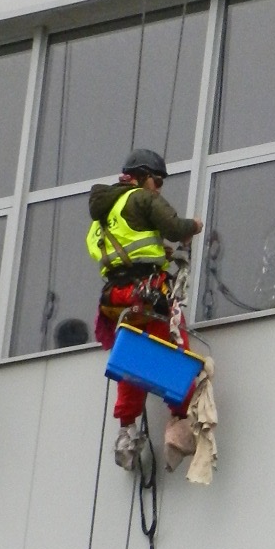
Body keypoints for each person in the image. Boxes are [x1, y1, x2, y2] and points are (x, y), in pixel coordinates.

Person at [87, 147, 201, 469]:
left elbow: (121, 250)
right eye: (157, 181)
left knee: (131, 361)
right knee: (176, 348)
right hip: (147, 292)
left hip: (116, 298)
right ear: (142, 177)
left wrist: (161, 254)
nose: (159, 188)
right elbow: (174, 226)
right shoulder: (141, 198)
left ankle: (126, 432)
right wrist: (194, 226)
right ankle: (180, 424)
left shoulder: (103, 215)